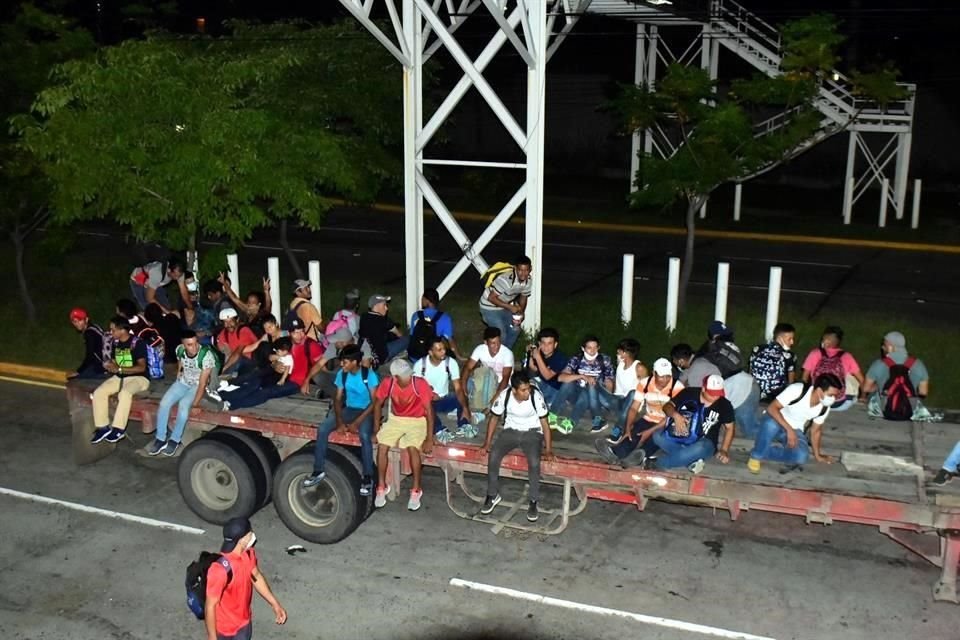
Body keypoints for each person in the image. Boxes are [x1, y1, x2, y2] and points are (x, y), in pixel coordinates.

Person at [479, 371, 555, 523]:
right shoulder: (504, 396)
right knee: (493, 456)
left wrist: (548, 449)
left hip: (532, 432)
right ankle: (492, 495)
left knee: (534, 462)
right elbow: (494, 419)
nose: (527, 392)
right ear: (514, 390)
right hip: (511, 431)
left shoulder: (535, 396)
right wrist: (487, 443)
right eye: (523, 390)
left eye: (528, 388)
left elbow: (545, 424)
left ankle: (533, 501)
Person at [304, 345, 380, 496]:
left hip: (366, 411)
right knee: (323, 428)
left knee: (364, 435)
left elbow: (375, 402)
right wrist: (339, 421)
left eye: (345, 362)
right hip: (350, 409)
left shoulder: (369, 375)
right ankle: (318, 470)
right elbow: (338, 399)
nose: (341, 364)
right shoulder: (342, 375)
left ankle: (368, 477)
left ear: (354, 362)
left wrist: (357, 423)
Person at [205, 517, 287, 640]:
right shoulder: (220, 570)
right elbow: (210, 606)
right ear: (242, 540)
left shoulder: (248, 554)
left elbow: (256, 577)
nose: (253, 535)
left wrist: (275, 604)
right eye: (250, 533)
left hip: (244, 623)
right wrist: (212, 636)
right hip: (224, 631)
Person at [595, 357, 684, 466]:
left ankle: (641, 457)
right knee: (633, 433)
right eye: (661, 376)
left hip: (667, 423)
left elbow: (673, 416)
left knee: (654, 438)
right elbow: (634, 408)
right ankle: (615, 453)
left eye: (668, 376)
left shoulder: (677, 387)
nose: (665, 380)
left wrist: (650, 431)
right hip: (648, 418)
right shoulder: (644, 383)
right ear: (654, 373)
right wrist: (627, 427)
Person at [746, 374, 843, 474]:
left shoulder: (824, 408)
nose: (833, 399)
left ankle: (764, 450)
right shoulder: (797, 390)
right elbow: (772, 408)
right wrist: (789, 430)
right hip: (776, 420)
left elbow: (816, 431)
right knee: (771, 425)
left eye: (835, 396)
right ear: (819, 391)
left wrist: (818, 455)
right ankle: (756, 456)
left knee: (801, 456)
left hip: (795, 429)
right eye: (831, 395)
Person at [372, 359, 434, 511]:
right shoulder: (389, 383)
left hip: (417, 420)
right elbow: (377, 404)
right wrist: (376, 429)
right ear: (395, 377)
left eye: (408, 374)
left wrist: (429, 438)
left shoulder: (419, 383)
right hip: (396, 419)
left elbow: (429, 412)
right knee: (382, 446)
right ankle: (381, 486)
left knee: (413, 448)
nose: (408, 377)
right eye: (404, 375)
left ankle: (416, 489)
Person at [219, 320, 322, 410]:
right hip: (279, 375)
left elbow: (320, 364)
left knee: (266, 392)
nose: (300, 335)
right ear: (289, 333)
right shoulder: (287, 342)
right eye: (296, 332)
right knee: (255, 382)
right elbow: (275, 354)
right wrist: (274, 362)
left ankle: (230, 405)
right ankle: (222, 395)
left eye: (302, 331)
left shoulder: (311, 345)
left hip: (296, 382)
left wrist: (307, 380)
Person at [145, 331, 217, 457]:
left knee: (184, 406)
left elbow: (202, 383)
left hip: (196, 385)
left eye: (195, 343)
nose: (194, 347)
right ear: (183, 345)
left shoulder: (206, 356)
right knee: (164, 404)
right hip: (183, 381)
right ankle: (160, 438)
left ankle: (175, 440)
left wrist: (195, 404)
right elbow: (181, 361)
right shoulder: (179, 350)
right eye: (189, 345)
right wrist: (179, 372)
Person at [646, 374, 736, 473]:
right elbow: (667, 406)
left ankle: (659, 463)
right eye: (712, 393)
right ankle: (689, 460)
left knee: (700, 447)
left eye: (718, 393)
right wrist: (675, 415)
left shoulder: (725, 404)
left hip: (704, 443)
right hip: (679, 437)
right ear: (703, 389)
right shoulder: (689, 393)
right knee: (657, 435)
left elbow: (730, 428)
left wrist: (724, 449)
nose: (715, 397)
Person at [89, 316, 151, 444]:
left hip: (139, 378)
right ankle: (103, 427)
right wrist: (110, 366)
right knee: (99, 393)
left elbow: (141, 367)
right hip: (120, 376)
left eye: (113, 330)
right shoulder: (115, 343)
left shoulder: (137, 343)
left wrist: (120, 369)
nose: (110, 332)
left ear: (122, 330)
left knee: (125, 393)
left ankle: (118, 429)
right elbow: (114, 362)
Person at [550, 335, 615, 433]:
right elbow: (561, 377)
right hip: (576, 393)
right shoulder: (576, 359)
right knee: (568, 383)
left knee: (587, 390)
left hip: (595, 398)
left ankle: (571, 422)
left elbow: (609, 381)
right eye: (589, 348)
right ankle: (552, 415)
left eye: (595, 347)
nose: (592, 351)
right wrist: (582, 376)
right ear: (583, 348)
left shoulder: (604, 360)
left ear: (598, 348)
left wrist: (606, 400)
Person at [863, 331, 931, 421]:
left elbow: (865, 389)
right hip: (909, 410)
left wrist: (878, 386)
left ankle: (876, 411)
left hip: (884, 410)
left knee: (873, 394)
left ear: (891, 347)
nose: (882, 347)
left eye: (884, 344)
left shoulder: (878, 364)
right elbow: (923, 392)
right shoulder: (918, 364)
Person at [412, 337, 471, 440]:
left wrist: (465, 408)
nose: (443, 351)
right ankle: (440, 430)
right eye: (439, 350)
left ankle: (464, 424)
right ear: (430, 352)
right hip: (428, 401)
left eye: (444, 348)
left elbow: (457, 388)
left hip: (444, 399)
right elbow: (416, 389)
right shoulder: (420, 365)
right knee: (422, 405)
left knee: (462, 397)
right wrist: (430, 395)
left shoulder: (450, 362)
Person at [800, 326, 863, 412]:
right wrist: (863, 396)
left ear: (827, 341)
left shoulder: (815, 353)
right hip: (838, 404)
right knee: (850, 377)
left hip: (817, 401)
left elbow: (804, 378)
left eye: (823, 339)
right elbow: (862, 380)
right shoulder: (847, 356)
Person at [478, 255, 533, 348]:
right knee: (500, 333)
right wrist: (511, 307)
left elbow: (523, 297)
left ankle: (506, 353)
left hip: (503, 306)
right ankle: (496, 356)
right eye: (520, 270)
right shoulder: (506, 279)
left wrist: (521, 312)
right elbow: (491, 298)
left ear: (530, 269)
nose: (523, 273)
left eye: (526, 270)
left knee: (515, 329)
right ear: (515, 268)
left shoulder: (528, 280)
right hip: (488, 307)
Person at [461, 327, 515, 416]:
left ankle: (489, 408)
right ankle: (465, 406)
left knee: (506, 393)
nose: (496, 346)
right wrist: (463, 388)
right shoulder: (480, 349)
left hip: (500, 385)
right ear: (486, 343)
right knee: (467, 382)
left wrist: (492, 401)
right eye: (493, 343)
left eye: (498, 342)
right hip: (484, 382)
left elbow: (505, 380)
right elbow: (467, 368)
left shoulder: (507, 353)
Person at [603, 338, 650, 439]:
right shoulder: (620, 365)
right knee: (595, 386)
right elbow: (617, 388)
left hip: (632, 404)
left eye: (619, 351)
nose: (617, 353)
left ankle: (618, 429)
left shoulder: (639, 368)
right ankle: (599, 420)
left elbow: (646, 388)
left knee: (633, 392)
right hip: (618, 400)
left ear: (625, 353)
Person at [408, 287, 464, 361]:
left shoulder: (416, 315)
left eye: (422, 298)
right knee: (449, 353)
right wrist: (458, 356)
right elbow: (450, 340)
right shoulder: (445, 318)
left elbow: (412, 336)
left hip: (415, 357)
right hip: (433, 358)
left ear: (426, 300)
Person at [749, 322, 798, 402]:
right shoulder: (790, 356)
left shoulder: (757, 349)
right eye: (789, 339)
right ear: (779, 338)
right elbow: (791, 383)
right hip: (775, 400)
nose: (792, 342)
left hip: (754, 394)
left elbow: (750, 373)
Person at [358, 293, 408, 367]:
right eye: (384, 305)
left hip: (367, 351)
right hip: (381, 357)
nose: (386, 308)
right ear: (376, 306)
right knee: (407, 339)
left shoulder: (363, 317)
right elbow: (399, 334)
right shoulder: (384, 321)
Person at [524, 327, 567, 405]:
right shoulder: (539, 353)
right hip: (541, 386)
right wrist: (530, 354)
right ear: (539, 344)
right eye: (543, 343)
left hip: (554, 390)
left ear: (555, 344)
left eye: (550, 343)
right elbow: (532, 368)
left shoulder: (560, 358)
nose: (546, 346)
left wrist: (537, 357)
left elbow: (548, 376)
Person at [217, 307, 258, 376]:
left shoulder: (244, 330)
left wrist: (223, 369)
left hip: (251, 362)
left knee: (238, 361)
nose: (229, 324)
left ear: (237, 320)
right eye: (225, 322)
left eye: (231, 321)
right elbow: (221, 350)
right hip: (235, 362)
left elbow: (237, 353)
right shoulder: (224, 333)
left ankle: (226, 378)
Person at [67, 307, 106, 379]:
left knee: (74, 380)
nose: (77, 324)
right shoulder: (94, 327)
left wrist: (78, 372)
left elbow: (90, 356)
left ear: (86, 319)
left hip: (102, 366)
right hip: (105, 361)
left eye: (80, 320)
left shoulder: (89, 334)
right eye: (74, 321)